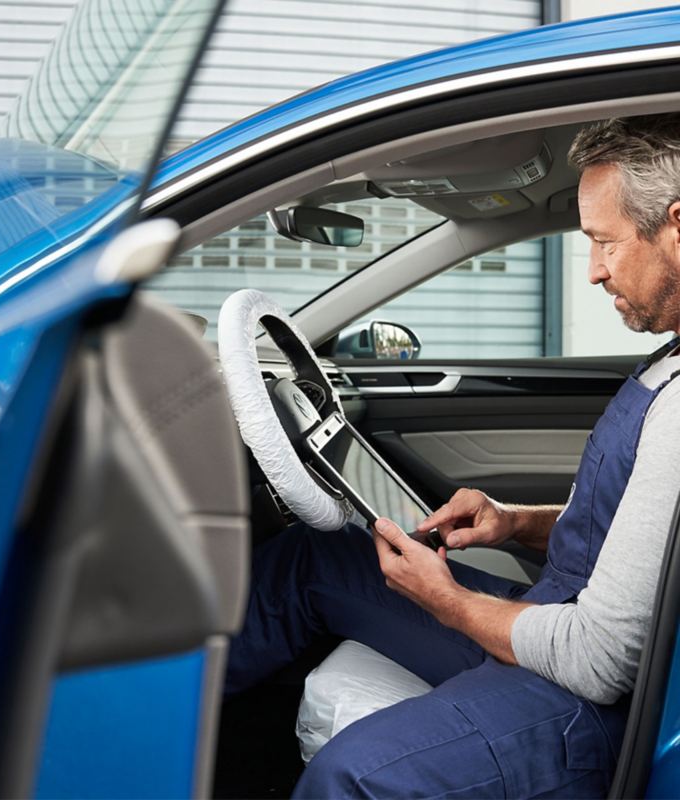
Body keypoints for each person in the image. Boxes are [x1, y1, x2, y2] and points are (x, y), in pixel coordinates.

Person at [225, 114, 680, 798]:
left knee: (352, 777)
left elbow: (601, 661)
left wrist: (449, 603)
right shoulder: (670, 358)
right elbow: (648, 540)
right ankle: (128, 721)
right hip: (562, 622)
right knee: (316, 560)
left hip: (594, 707)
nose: (591, 271)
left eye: (604, 243)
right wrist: (516, 521)